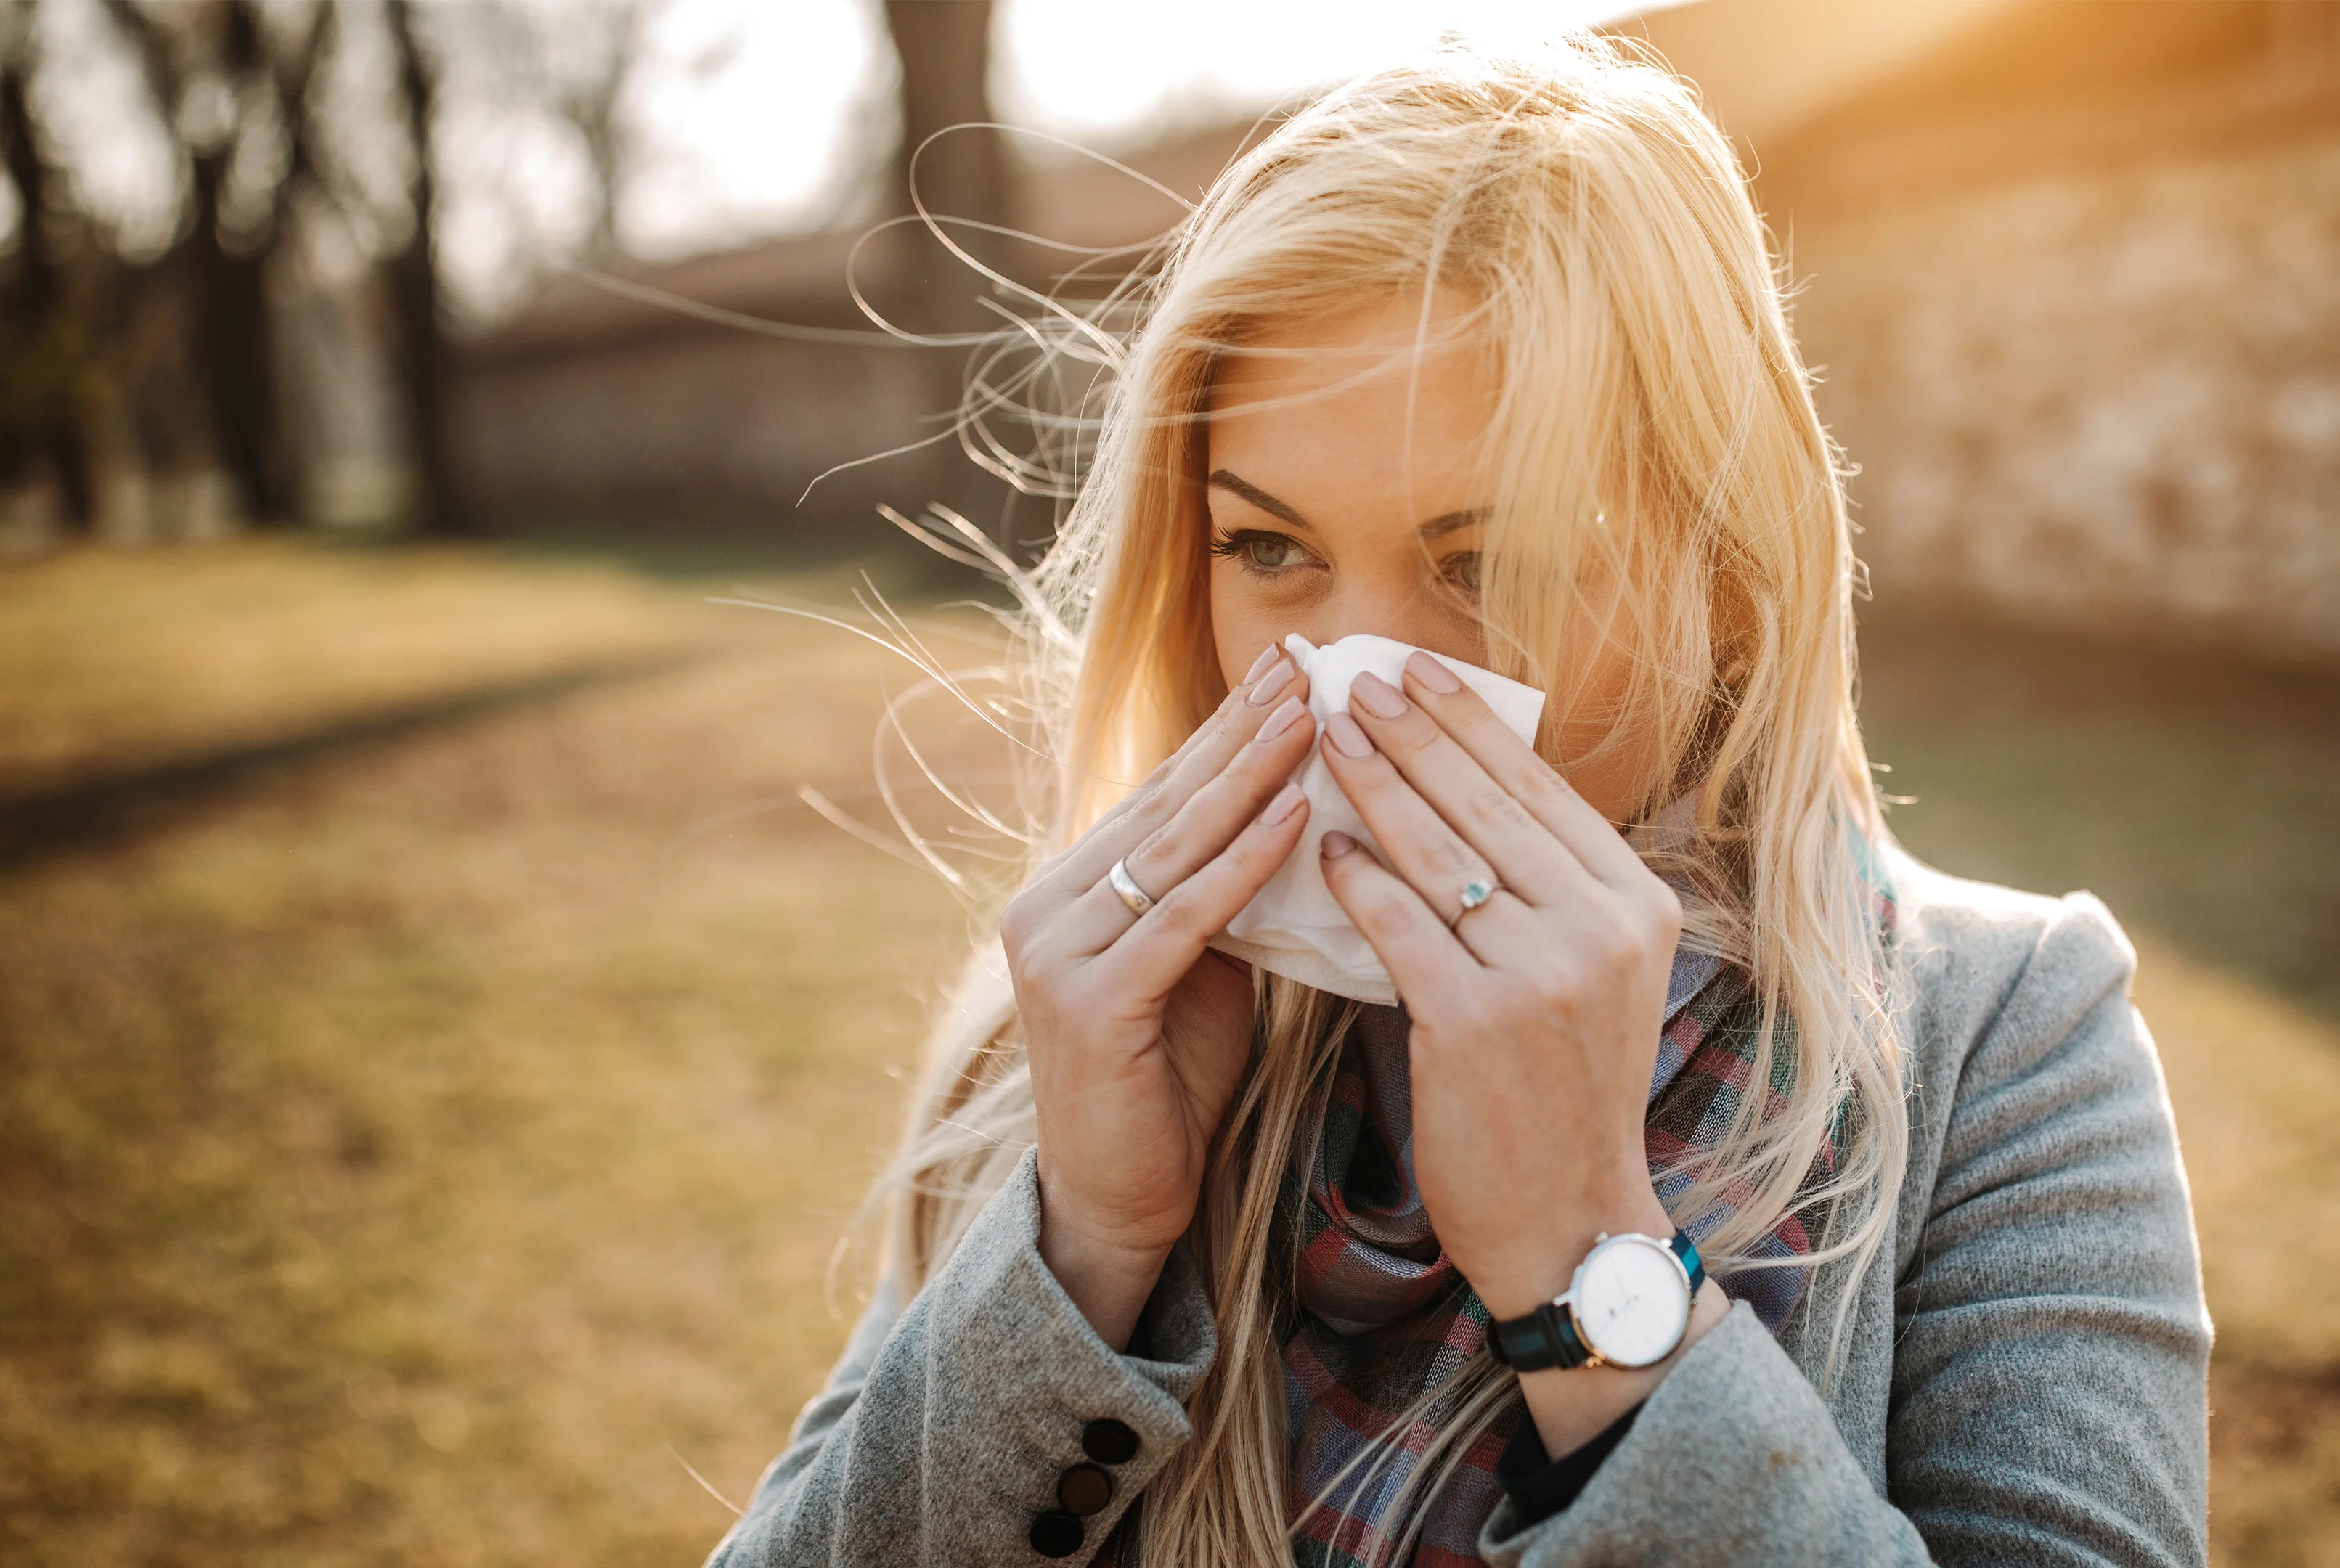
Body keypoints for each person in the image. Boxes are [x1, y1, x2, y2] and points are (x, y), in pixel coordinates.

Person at [709, 35, 2207, 1568]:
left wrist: (1587, 1266)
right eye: (1270, 551)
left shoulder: (2004, 1044)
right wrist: (1086, 1251)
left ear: (1734, 584)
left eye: (1492, 567)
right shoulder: (1085, 1027)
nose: (1358, 686)